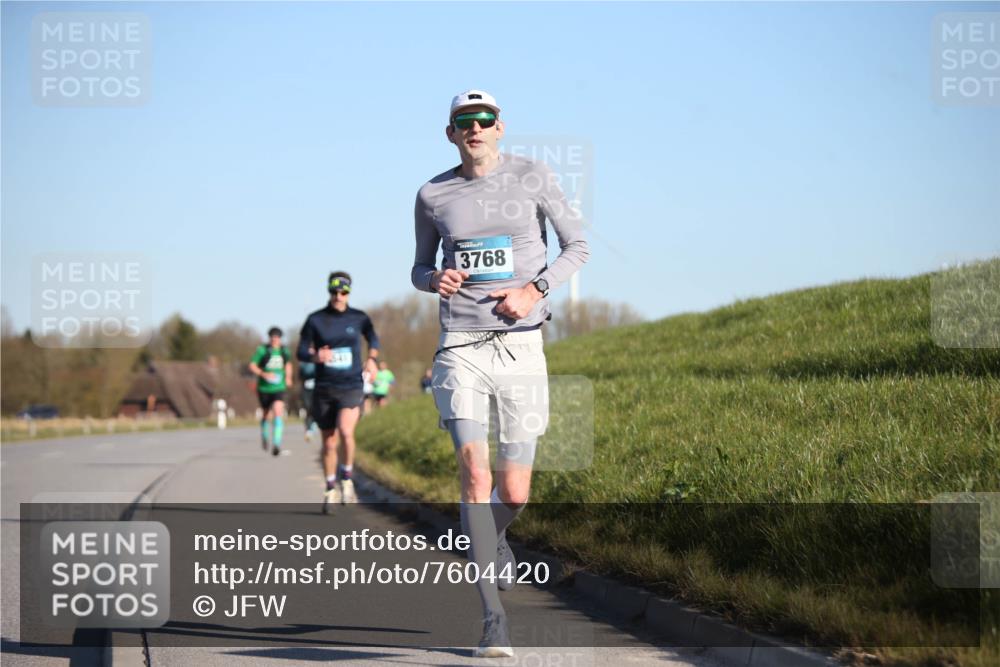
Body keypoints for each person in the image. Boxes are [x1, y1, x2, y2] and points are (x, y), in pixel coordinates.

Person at [411, 89, 589, 658]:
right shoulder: (432, 193)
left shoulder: (532, 176)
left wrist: (532, 289)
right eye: (465, 121)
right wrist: (431, 279)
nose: (475, 128)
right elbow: (419, 265)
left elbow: (578, 246)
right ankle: (493, 618)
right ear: (451, 133)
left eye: (484, 120)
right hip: (460, 344)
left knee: (514, 492)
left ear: (500, 127)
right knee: (473, 474)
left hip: (522, 345)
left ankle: (499, 537)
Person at [297, 272, 380, 513]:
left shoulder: (359, 317)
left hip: (351, 386)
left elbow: (373, 338)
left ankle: (347, 479)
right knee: (329, 443)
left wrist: (372, 359)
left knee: (346, 431)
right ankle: (330, 487)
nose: (338, 296)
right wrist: (315, 356)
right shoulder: (315, 320)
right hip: (324, 388)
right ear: (329, 292)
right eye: (334, 292)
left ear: (349, 292)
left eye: (343, 292)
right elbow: (301, 351)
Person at [249, 327, 293, 456]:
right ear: (269, 338)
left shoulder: (284, 351)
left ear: (280, 338)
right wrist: (263, 374)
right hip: (264, 388)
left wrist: (289, 378)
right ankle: (264, 435)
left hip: (279, 387)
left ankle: (277, 443)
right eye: (272, 337)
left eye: (277, 337)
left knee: (278, 411)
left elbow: (288, 364)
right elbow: (252, 365)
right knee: (266, 415)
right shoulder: (262, 350)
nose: (275, 339)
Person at [299, 357, 319, 442]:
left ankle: (313, 426)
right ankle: (308, 430)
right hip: (307, 390)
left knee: (316, 409)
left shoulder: (320, 360)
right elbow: (300, 376)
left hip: (318, 389)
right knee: (308, 409)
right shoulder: (304, 363)